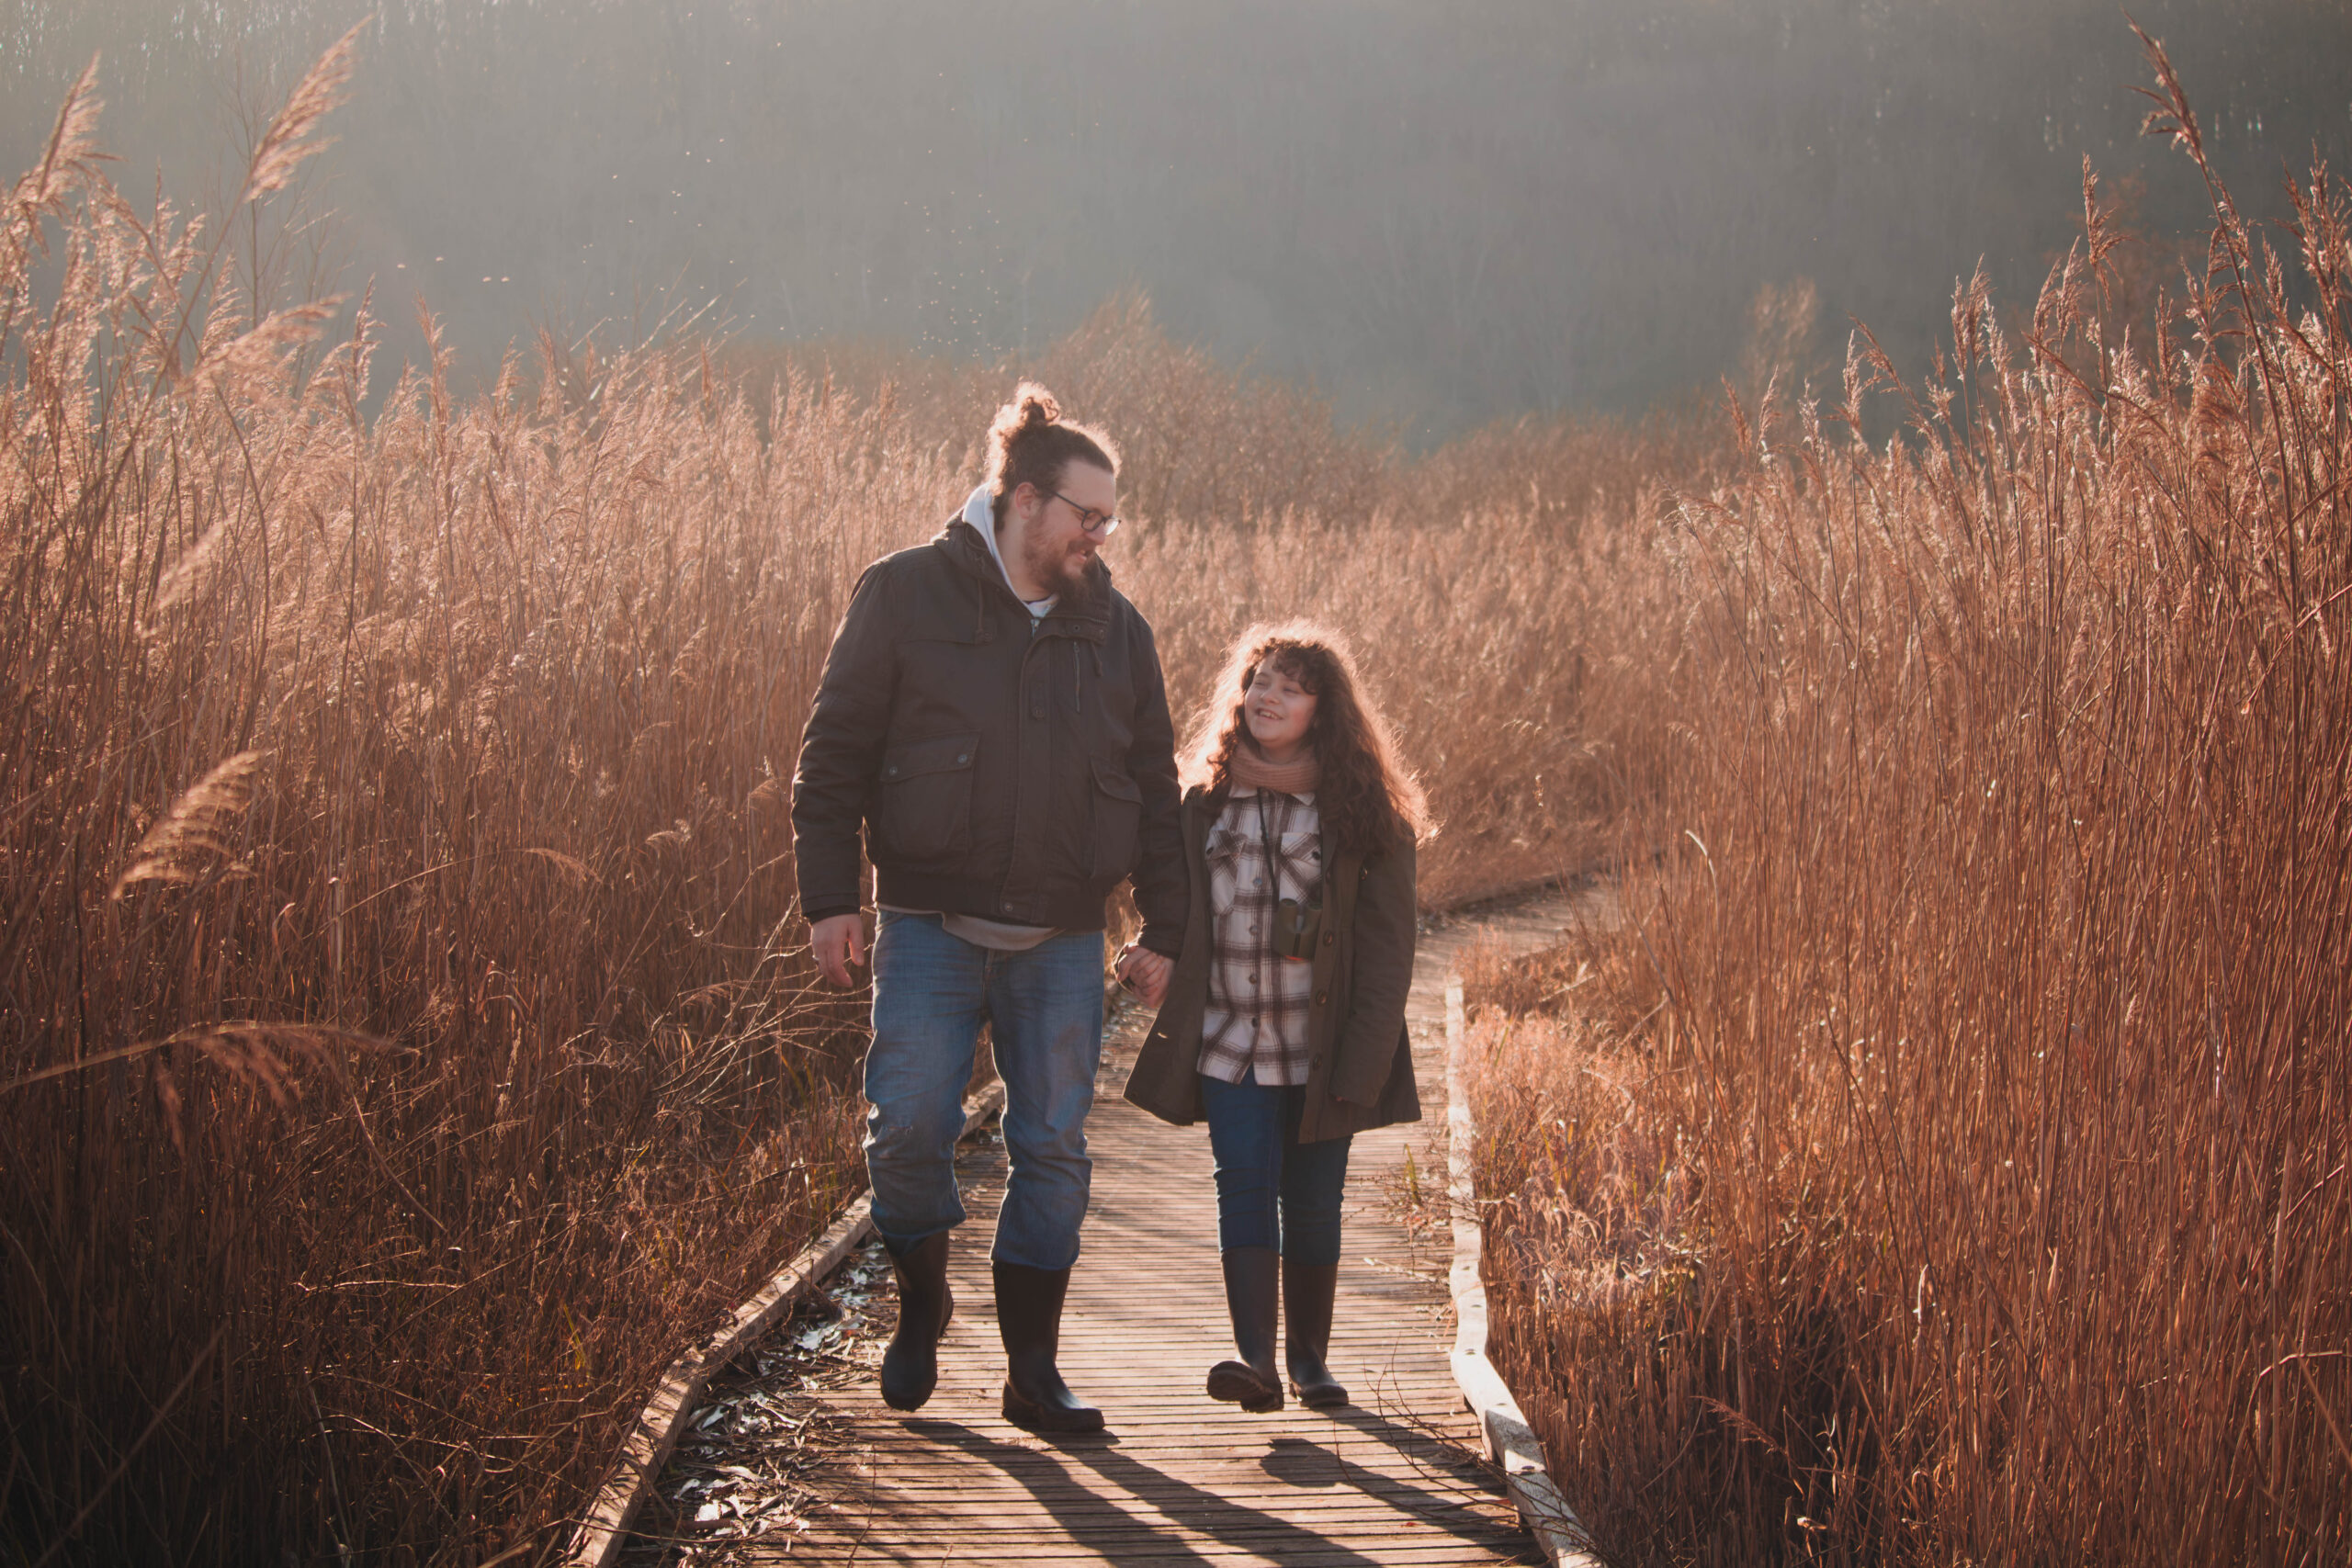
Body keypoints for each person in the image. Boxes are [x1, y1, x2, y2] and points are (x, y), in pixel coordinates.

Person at [791, 384, 1182, 1434]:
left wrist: (1167, 928)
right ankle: (923, 1301)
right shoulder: (904, 593)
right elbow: (832, 758)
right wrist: (829, 901)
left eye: (1109, 520)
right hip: (928, 924)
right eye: (1086, 515)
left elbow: (1156, 791)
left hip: (1062, 935)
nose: (1099, 536)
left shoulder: (1117, 630)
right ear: (1023, 500)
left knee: (1052, 1146)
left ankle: (1031, 1372)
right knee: (908, 1129)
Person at [1121, 624, 1430, 1412]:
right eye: (1260, 682)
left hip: (1322, 1049)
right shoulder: (1203, 802)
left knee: (1315, 1201)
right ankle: (1255, 1359)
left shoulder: (1366, 815)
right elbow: (1175, 905)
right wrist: (1153, 951)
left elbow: (1388, 951)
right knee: (1244, 1187)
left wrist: (1365, 1062)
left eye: (1291, 688)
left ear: (1323, 710)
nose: (1269, 697)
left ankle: (1309, 1361)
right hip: (1229, 1039)